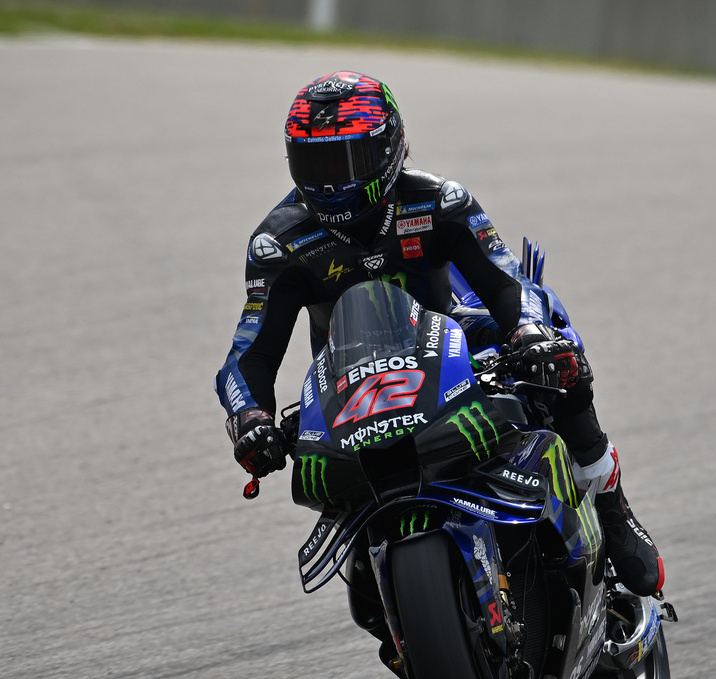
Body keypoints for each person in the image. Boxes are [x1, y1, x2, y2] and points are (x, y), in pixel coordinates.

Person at [214, 71, 663, 596]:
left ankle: (611, 505)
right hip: (352, 386)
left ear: (389, 148)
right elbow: (248, 353)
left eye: (346, 162)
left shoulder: (440, 201)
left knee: (557, 348)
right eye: (316, 164)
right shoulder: (278, 242)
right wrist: (250, 419)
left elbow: (508, 280)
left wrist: (531, 331)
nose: (331, 182)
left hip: (455, 348)